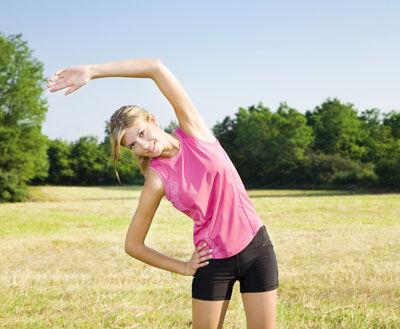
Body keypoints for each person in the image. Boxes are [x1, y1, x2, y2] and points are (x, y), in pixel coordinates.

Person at [47, 58, 279, 329]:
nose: (144, 145)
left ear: (152, 120)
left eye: (142, 133)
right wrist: (183, 266)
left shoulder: (194, 131)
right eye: (133, 145)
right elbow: (133, 245)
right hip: (212, 260)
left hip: (256, 247)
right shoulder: (157, 179)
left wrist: (92, 72)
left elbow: (156, 68)